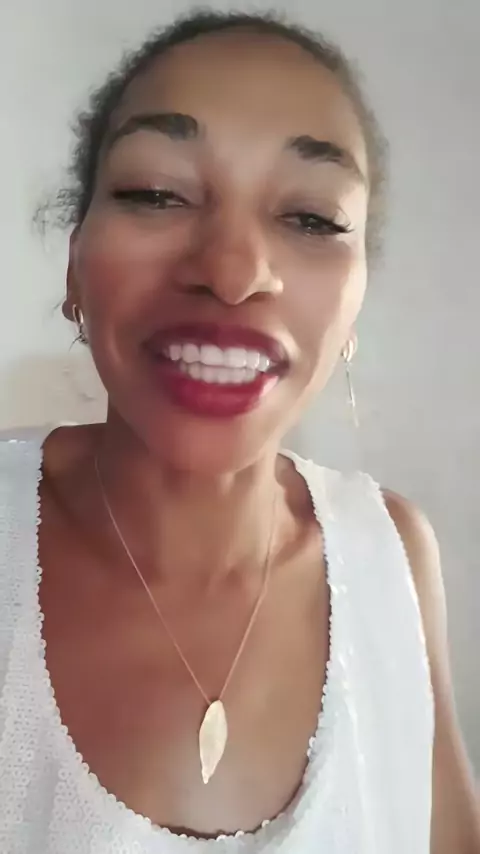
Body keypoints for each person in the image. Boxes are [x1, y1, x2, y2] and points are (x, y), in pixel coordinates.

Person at [0, 9, 479, 854]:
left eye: (313, 219)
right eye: (157, 193)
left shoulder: (394, 557)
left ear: (355, 303)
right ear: (75, 266)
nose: (232, 272)